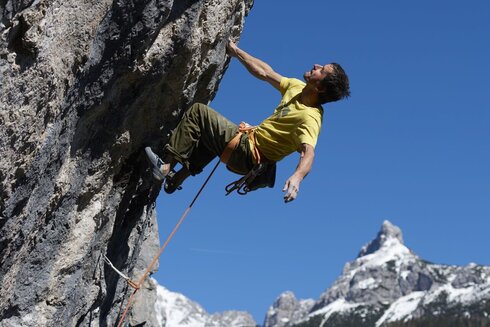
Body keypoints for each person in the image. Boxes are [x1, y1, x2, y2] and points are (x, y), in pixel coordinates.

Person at [145, 40, 350, 203]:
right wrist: (236, 52)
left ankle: (166, 167)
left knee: (198, 113)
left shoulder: (311, 117)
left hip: (249, 153)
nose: (316, 65)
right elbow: (265, 72)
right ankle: (177, 179)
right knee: (210, 136)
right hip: (246, 151)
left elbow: (309, 152)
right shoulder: (296, 87)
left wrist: (297, 177)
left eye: (322, 70)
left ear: (320, 88)